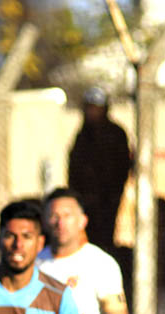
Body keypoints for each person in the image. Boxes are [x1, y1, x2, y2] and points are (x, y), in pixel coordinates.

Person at [67, 87, 131, 254]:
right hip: (85, 201)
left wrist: (112, 193)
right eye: (90, 108)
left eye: (96, 108)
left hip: (108, 200)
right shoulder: (82, 136)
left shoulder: (116, 134)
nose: (92, 112)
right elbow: (74, 169)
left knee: (105, 237)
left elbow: (122, 166)